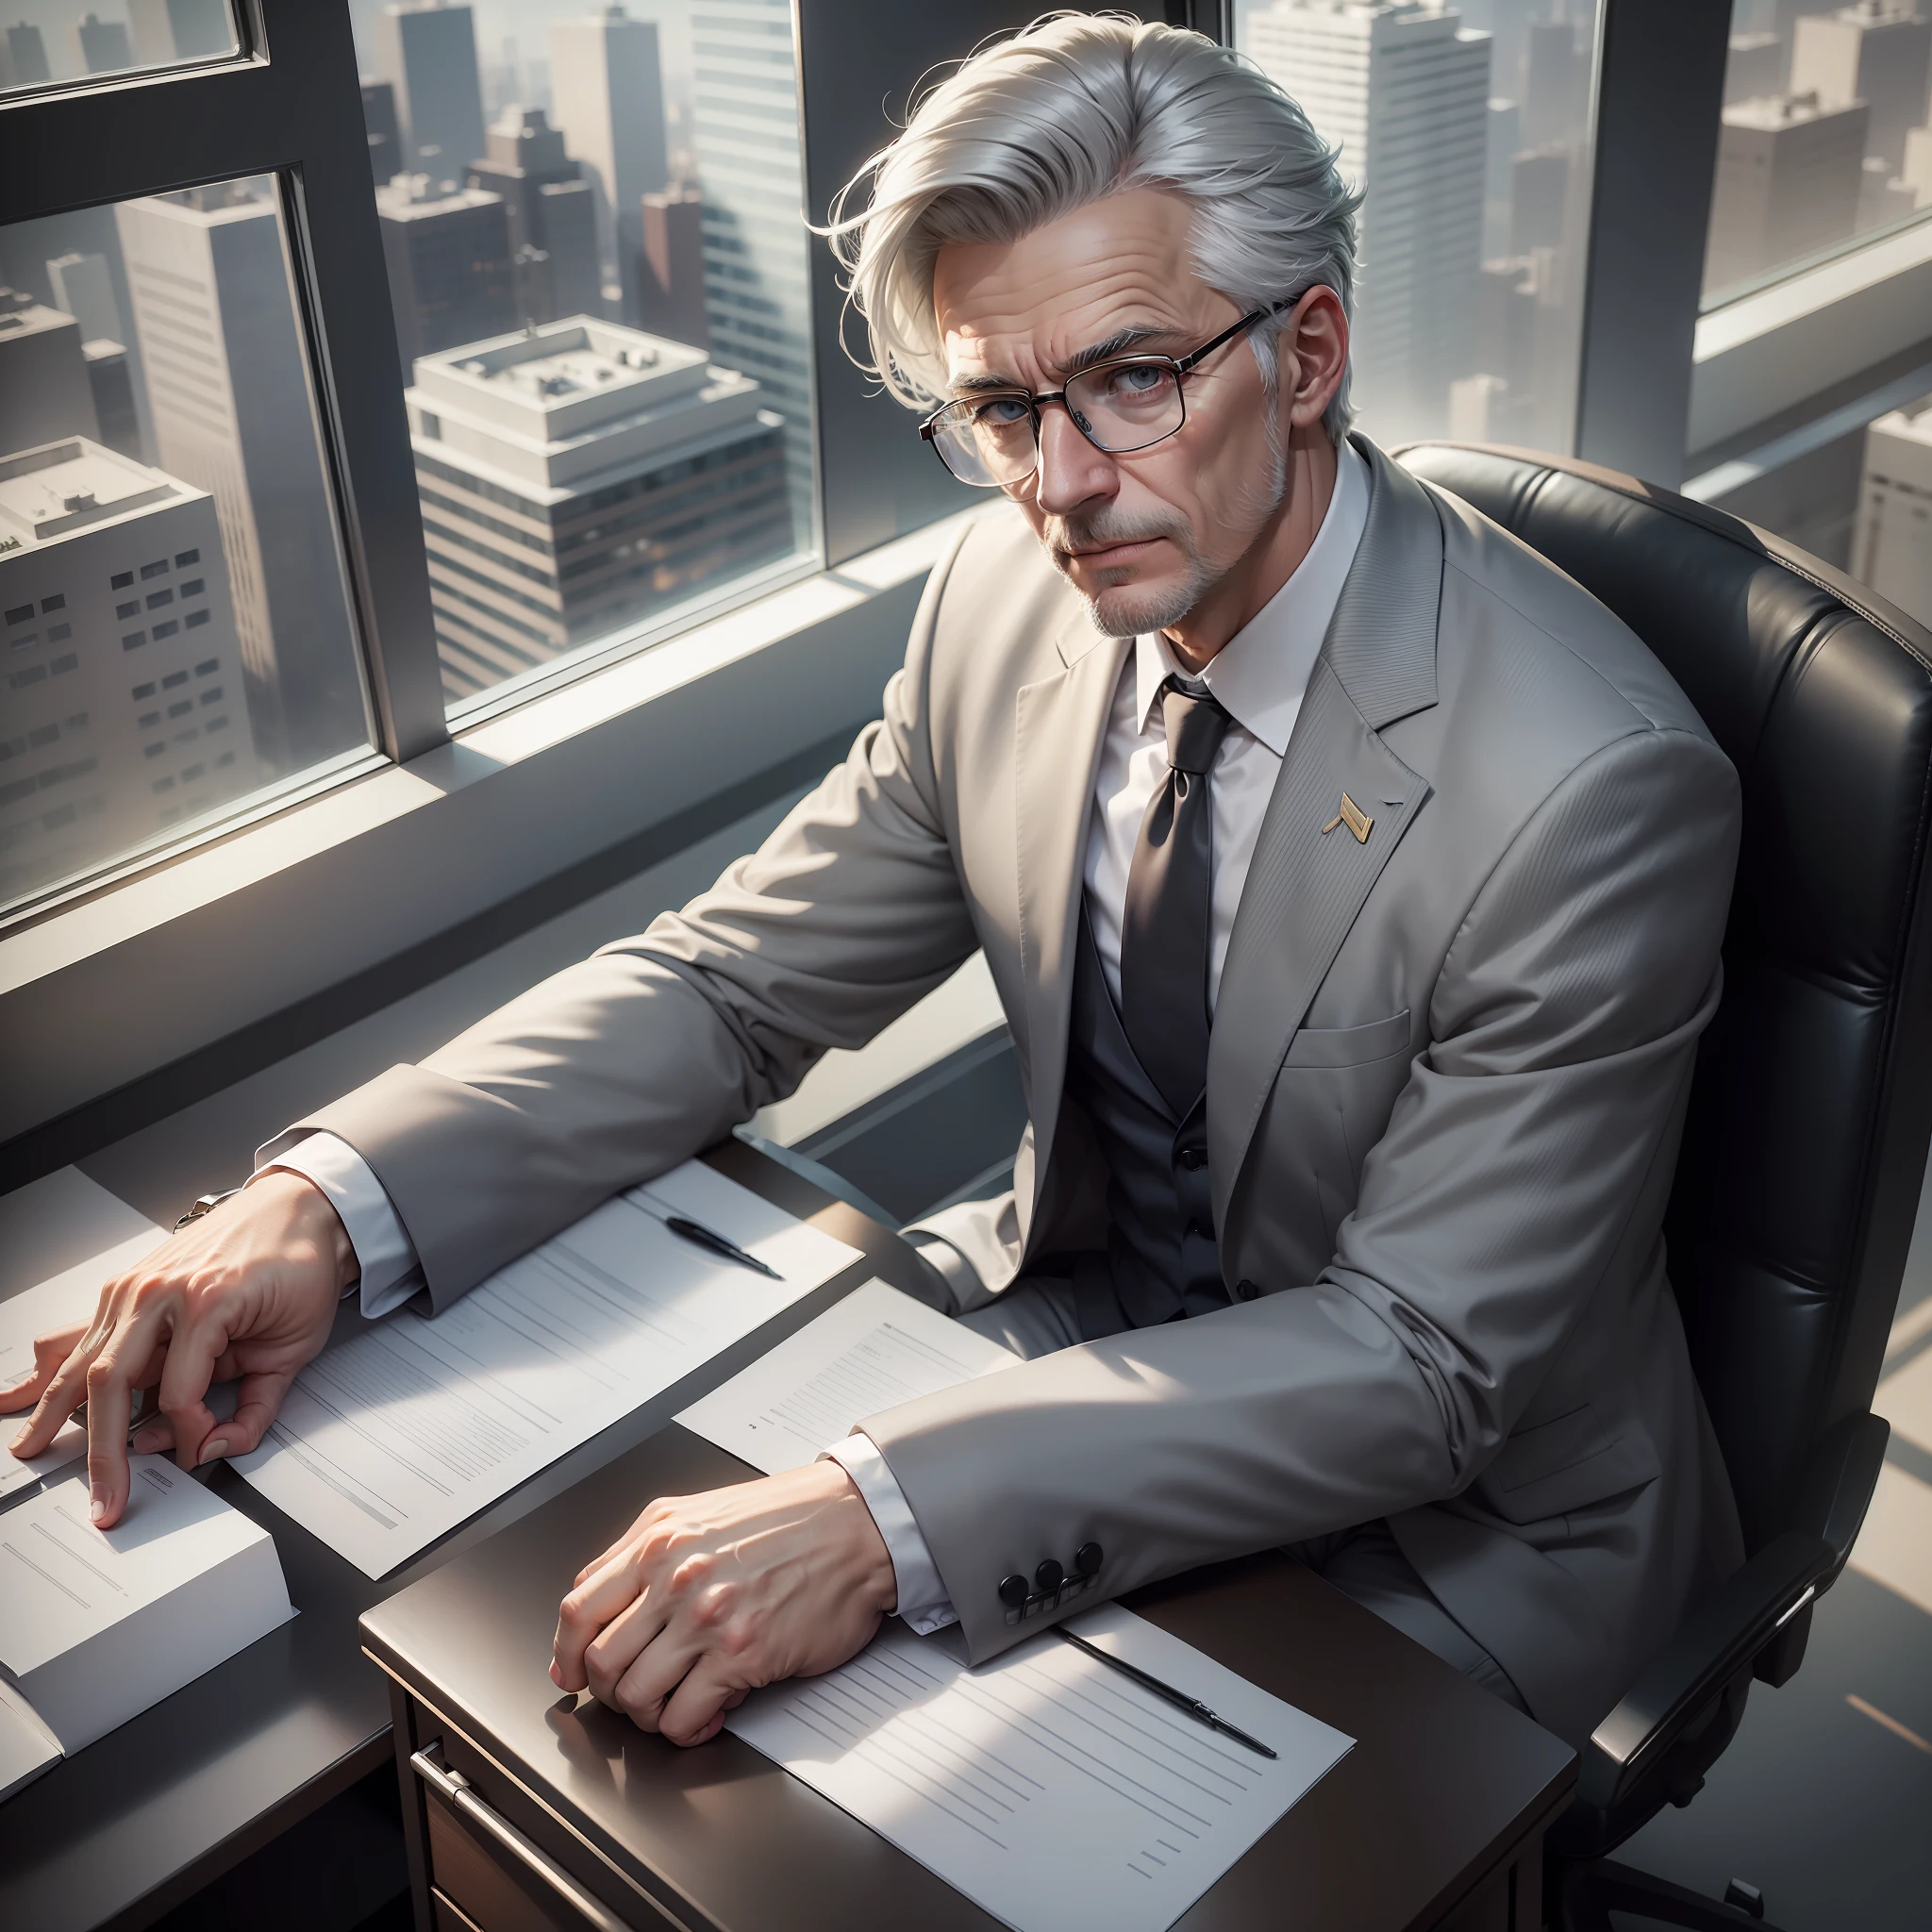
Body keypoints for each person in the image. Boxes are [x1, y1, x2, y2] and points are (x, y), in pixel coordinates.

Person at [4, 16, 1744, 1755]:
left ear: (1307, 355)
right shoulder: (1005, 600)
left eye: (1135, 377)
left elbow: (1426, 1361)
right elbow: (735, 983)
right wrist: (330, 1203)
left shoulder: (1594, 791)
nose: (1059, 487)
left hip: (1448, 1538)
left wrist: (881, 1517)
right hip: (1071, 1339)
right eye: (1000, 405)